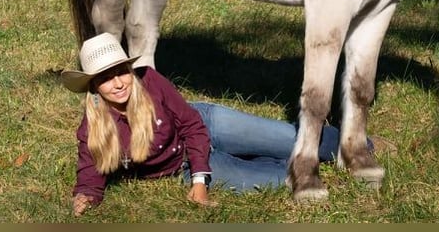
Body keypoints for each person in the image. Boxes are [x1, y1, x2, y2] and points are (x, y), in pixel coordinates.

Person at [61, 32, 343, 216]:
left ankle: (351, 145)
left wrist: (200, 180)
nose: (119, 83)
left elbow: (191, 125)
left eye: (121, 72)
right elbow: (91, 170)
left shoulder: (149, 81)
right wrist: (86, 196)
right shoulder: (93, 127)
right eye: (106, 78)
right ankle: (306, 168)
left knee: (284, 138)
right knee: (275, 180)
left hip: (205, 125)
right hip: (179, 165)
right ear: (94, 86)